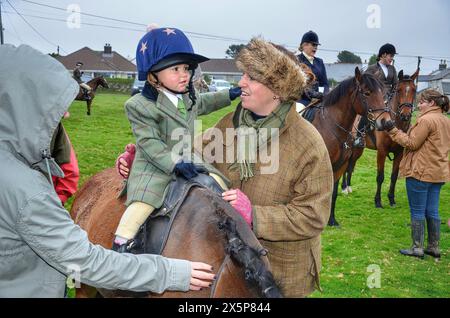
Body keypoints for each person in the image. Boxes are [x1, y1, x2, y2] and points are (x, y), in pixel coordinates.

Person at [118, 38, 334, 297]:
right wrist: (144, 161)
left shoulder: (308, 144)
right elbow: (188, 153)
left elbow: (313, 215)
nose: (241, 82)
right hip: (231, 264)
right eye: (243, 74)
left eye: (251, 77)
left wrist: (254, 215)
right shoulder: (229, 124)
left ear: (277, 89)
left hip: (283, 270)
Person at [0, 44, 215, 297]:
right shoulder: (26, 191)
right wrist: (171, 273)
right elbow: (86, 262)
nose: (67, 114)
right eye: (53, 107)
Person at [112, 27, 241, 253]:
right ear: (153, 74)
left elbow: (205, 102)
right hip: (155, 168)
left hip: (189, 160)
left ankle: (236, 234)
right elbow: (150, 144)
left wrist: (229, 95)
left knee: (220, 185)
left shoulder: (187, 99)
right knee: (139, 209)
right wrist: (175, 163)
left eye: (187, 68)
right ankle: (120, 249)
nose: (185, 75)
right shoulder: (139, 106)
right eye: (176, 69)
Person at [382, 89, 450, 259]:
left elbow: (412, 143)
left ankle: (417, 248)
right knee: (432, 210)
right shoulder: (445, 120)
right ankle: (433, 247)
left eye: (421, 102)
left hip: (420, 172)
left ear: (431, 103)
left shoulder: (426, 120)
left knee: (417, 210)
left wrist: (393, 131)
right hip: (438, 172)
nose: (418, 105)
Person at [354, 43, 398, 147]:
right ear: (383, 54)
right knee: (367, 113)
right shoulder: (372, 68)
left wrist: (392, 95)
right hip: (376, 97)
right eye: (390, 56)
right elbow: (366, 85)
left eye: (393, 57)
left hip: (390, 98)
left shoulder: (392, 69)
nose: (392, 59)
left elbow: (395, 84)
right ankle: (359, 137)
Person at [296, 30, 329, 112]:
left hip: (320, 99)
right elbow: (298, 84)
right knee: (297, 111)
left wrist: (323, 94)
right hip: (303, 100)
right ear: (304, 45)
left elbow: (325, 83)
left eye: (317, 45)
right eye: (313, 45)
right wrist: (313, 94)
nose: (316, 47)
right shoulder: (297, 60)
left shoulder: (320, 62)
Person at [50, 122, 80, 205]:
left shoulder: (52, 123)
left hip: (44, 198)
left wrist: (59, 199)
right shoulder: (51, 121)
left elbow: (69, 168)